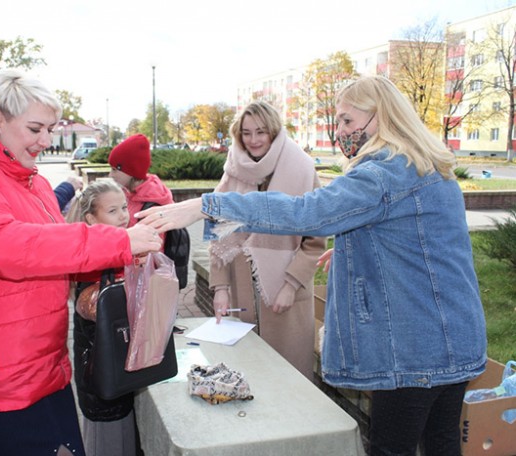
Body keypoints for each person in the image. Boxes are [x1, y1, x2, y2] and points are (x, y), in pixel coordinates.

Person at [138, 76, 487, 456]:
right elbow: (428, 243)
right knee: (441, 443)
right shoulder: (425, 166)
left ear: (381, 117)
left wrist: (206, 206)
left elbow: (307, 211)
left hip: (413, 349)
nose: (340, 132)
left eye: (348, 122)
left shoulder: (383, 172)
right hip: (454, 337)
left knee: (391, 448)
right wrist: (363, 248)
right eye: (337, 123)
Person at [0, 68, 161, 456]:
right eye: (36, 129)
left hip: (42, 368)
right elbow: (4, 247)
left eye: (51, 129)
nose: (46, 141)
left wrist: (111, 272)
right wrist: (117, 241)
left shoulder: (32, 182)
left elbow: (56, 254)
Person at [209, 101, 325, 380]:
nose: (253, 140)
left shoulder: (302, 169)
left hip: (286, 297)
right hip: (242, 292)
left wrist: (291, 285)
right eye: (246, 133)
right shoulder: (233, 171)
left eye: (260, 132)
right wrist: (221, 288)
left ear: (273, 131)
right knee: (248, 378)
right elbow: (217, 230)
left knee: (288, 384)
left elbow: (315, 241)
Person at [66, 179, 139, 456]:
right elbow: (109, 314)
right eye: (112, 211)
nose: (123, 216)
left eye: (124, 207)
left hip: (116, 382)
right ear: (90, 219)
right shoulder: (94, 266)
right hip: (105, 388)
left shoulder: (113, 257)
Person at [108, 133, 174, 231]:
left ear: (131, 170)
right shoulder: (128, 194)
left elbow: (154, 244)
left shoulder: (152, 206)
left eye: (114, 170)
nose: (110, 175)